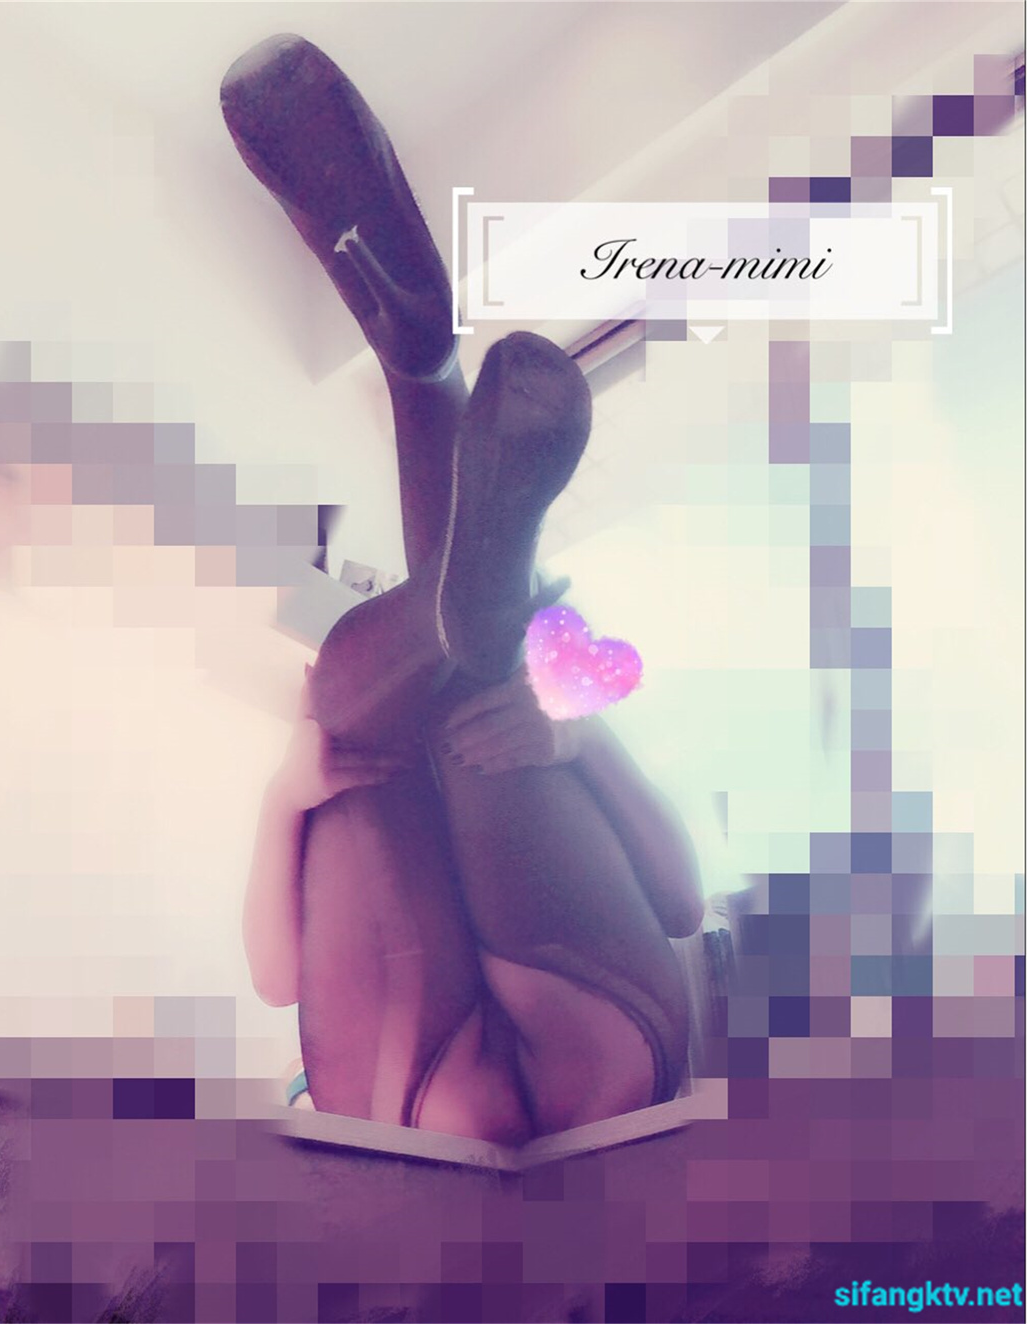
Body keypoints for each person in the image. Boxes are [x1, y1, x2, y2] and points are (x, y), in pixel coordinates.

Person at [225, 35, 705, 1145]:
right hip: (443, 1112)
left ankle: (438, 453)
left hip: (562, 1080)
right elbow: (679, 901)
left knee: (385, 718)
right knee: (383, 717)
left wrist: (286, 795)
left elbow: (681, 899)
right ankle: (425, 403)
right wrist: (575, 739)